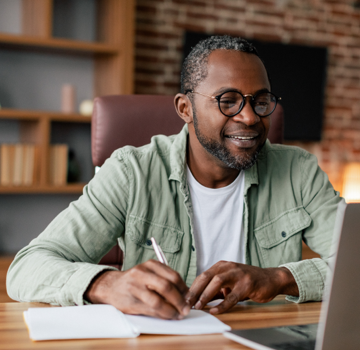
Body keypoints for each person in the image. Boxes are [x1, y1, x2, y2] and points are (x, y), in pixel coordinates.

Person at [7, 36, 343, 321]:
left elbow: (352, 266)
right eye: (228, 101)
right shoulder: (131, 172)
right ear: (185, 108)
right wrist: (106, 284)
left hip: (259, 338)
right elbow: (27, 267)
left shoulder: (299, 171)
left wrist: (279, 278)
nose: (249, 117)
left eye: (261, 101)